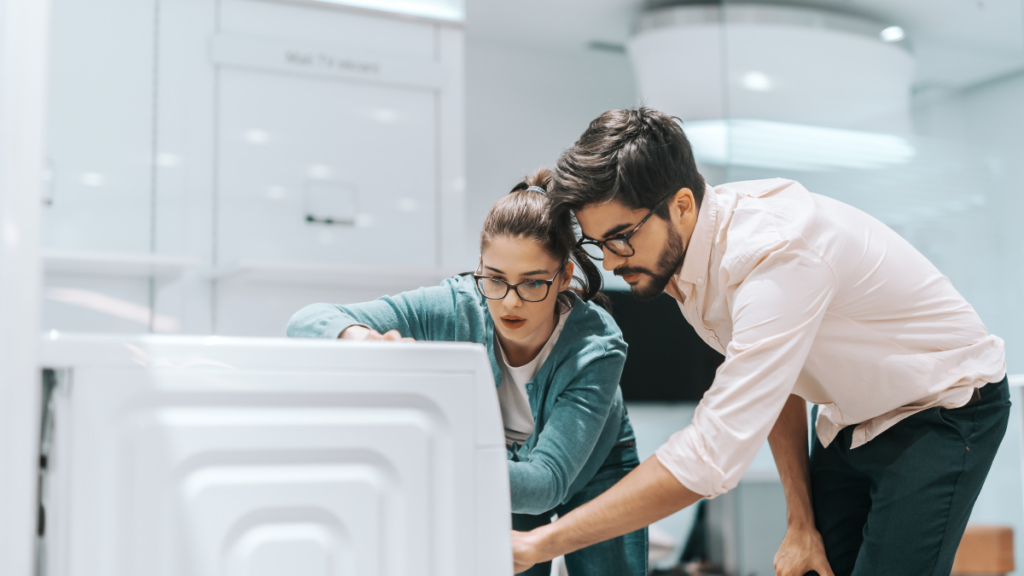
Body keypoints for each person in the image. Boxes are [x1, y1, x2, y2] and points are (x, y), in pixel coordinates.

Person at [510, 107, 1010, 576]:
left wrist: (540, 545)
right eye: (600, 245)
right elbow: (778, 382)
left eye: (621, 238)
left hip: (943, 405)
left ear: (681, 205)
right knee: (813, 561)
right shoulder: (687, 262)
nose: (614, 262)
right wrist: (799, 522)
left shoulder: (773, 256)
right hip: (848, 415)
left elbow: (711, 454)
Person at [287, 169, 648, 576]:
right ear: (480, 268)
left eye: (532, 284)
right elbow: (306, 321)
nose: (510, 303)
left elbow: (546, 484)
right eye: (495, 279)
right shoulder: (456, 305)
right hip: (504, 469)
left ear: (564, 276)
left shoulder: (596, 346)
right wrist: (364, 341)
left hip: (594, 467)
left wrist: (434, 462)